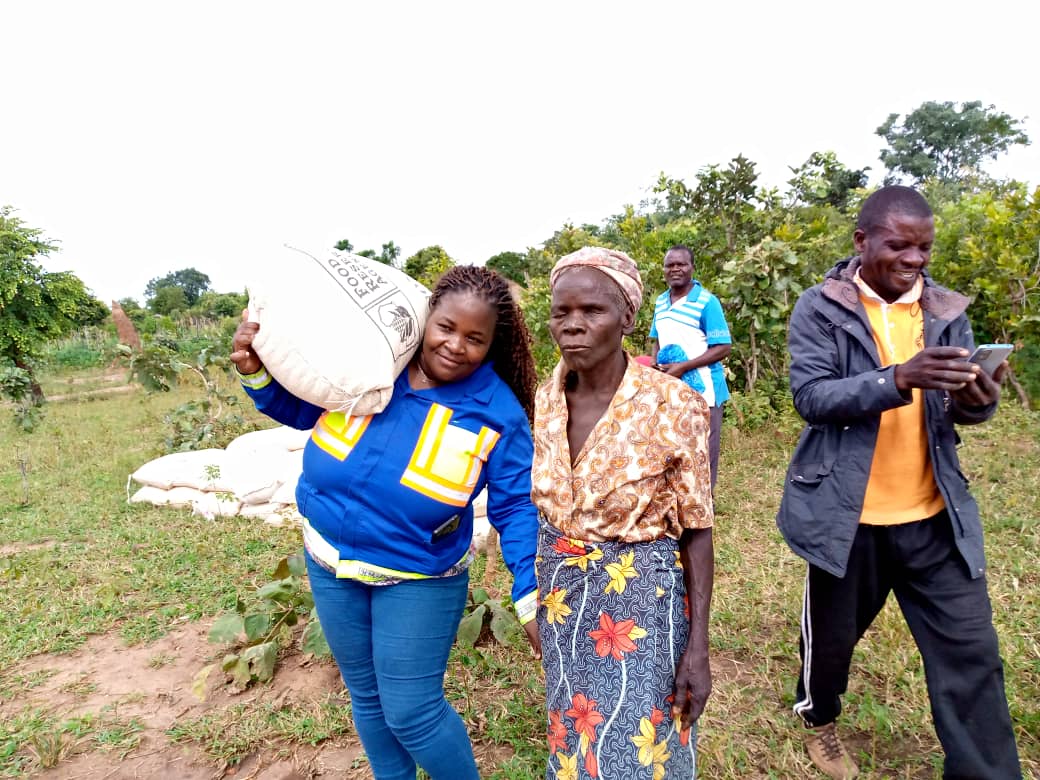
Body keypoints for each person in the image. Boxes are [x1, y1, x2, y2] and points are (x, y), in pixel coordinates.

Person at [231, 265, 541, 780]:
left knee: (413, 712)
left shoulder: (497, 414)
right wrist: (254, 370)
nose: (455, 346)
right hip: (328, 560)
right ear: (425, 319)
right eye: (446, 328)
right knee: (367, 697)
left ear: (491, 346)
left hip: (417, 575)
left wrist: (530, 593)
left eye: (474, 338)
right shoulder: (372, 367)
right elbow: (303, 408)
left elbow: (516, 507)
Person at [777, 186, 1021, 779]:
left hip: (934, 517)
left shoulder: (946, 312)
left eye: (924, 248)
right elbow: (811, 397)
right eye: (900, 244)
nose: (915, 259)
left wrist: (977, 401)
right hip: (846, 518)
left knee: (973, 656)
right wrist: (897, 378)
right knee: (831, 647)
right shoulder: (820, 306)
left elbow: (961, 411)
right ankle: (820, 718)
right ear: (862, 242)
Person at [532, 246, 714, 779]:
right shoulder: (546, 398)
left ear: (628, 319)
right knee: (574, 728)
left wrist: (698, 648)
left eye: (593, 311)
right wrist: (535, 597)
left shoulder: (674, 404)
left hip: (640, 607)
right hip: (564, 599)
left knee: (642, 742)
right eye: (561, 313)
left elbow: (697, 531)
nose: (573, 326)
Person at [649, 245, 732, 490]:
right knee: (675, 445)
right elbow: (657, 339)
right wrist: (655, 363)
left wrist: (684, 367)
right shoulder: (661, 302)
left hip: (705, 390)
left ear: (692, 268)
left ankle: (705, 504)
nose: (675, 269)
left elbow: (723, 347)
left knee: (704, 449)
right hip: (672, 389)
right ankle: (680, 500)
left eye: (681, 264)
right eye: (670, 265)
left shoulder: (707, 302)